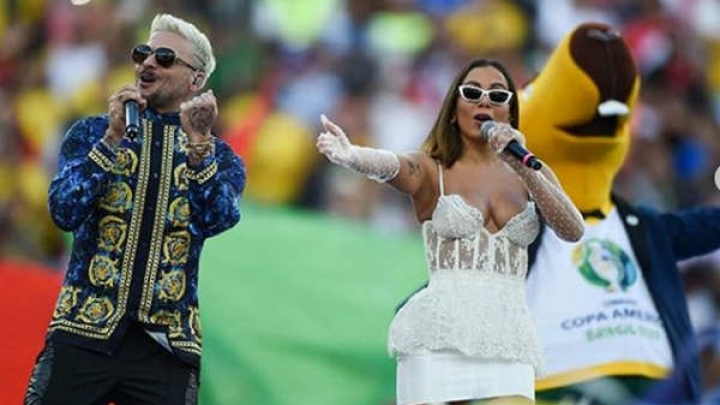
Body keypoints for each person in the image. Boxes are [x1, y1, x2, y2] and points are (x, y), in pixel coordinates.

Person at [316, 58, 584, 405]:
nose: (484, 101)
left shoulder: (530, 169)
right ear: (454, 111)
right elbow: (393, 165)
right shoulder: (432, 168)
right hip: (439, 335)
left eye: (497, 95)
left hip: (507, 336)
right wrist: (352, 156)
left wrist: (523, 167)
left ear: (510, 112)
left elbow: (572, 229)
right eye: (472, 93)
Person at [23, 13, 245, 405]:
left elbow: (218, 218)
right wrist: (110, 141)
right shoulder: (92, 132)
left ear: (196, 80)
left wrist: (197, 150)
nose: (147, 63)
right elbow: (62, 210)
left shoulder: (218, 156)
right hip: (83, 328)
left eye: (164, 57)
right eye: (143, 52)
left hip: (165, 344)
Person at [519, 22, 720, 405]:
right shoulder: (514, 228)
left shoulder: (646, 228)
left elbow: (711, 225)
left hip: (660, 391)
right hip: (557, 389)